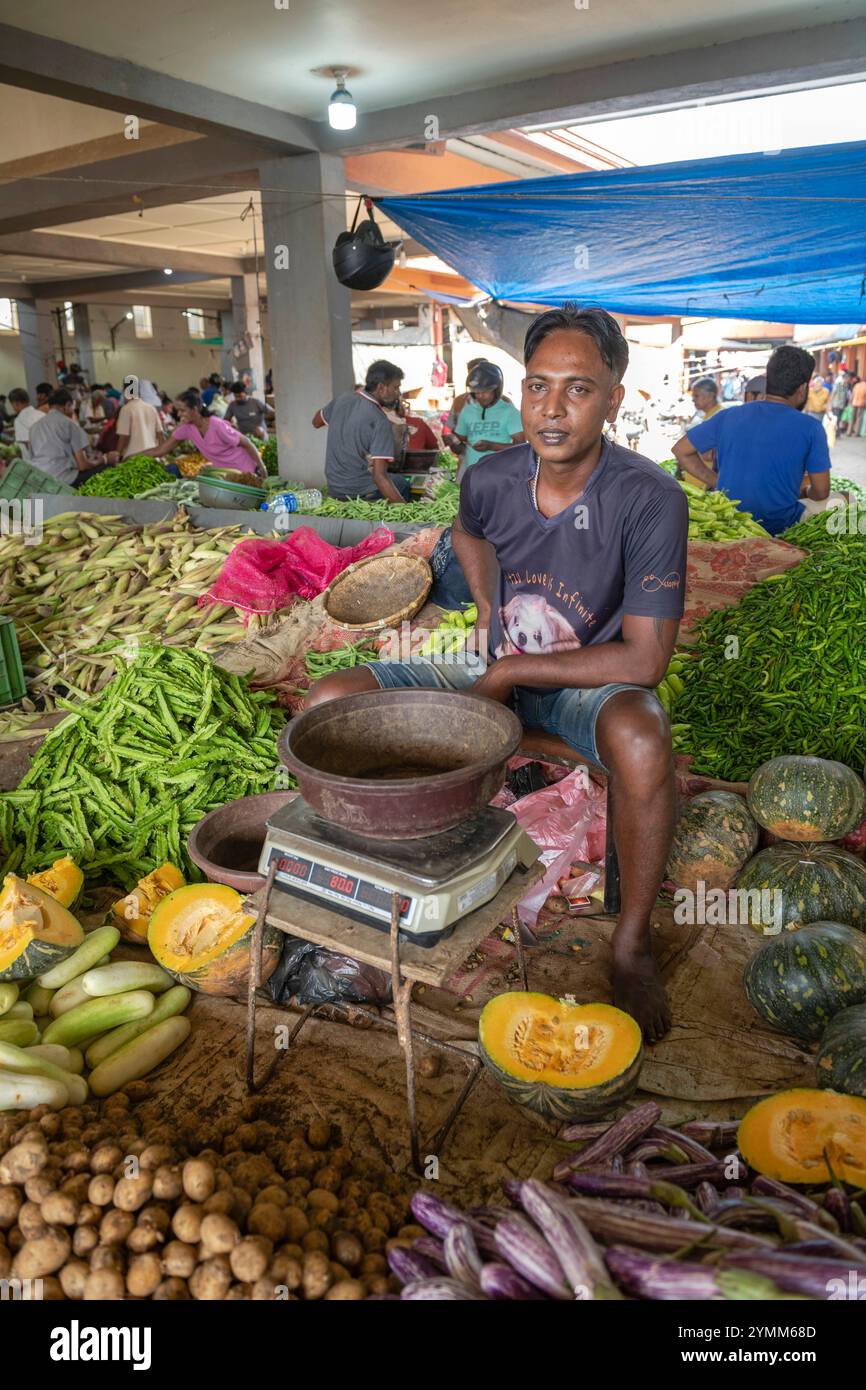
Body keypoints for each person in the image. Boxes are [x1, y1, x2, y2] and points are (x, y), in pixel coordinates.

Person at [304, 306, 689, 1041]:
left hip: (587, 686)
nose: (552, 407)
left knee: (643, 737)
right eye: (538, 385)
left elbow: (645, 657)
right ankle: (373, 897)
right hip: (491, 668)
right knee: (333, 700)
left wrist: (512, 668)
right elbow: (466, 532)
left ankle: (632, 939)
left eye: (579, 388)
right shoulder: (490, 476)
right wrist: (485, 603)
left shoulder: (649, 498)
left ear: (615, 396)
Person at [672, 345, 832, 535]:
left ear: (768, 382)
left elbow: (681, 450)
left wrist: (717, 481)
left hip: (732, 519)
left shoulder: (729, 415)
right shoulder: (811, 427)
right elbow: (821, 492)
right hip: (782, 524)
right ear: (803, 388)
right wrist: (805, 493)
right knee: (847, 498)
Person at [312, 361, 410, 503]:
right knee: (402, 484)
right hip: (357, 490)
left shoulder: (343, 399)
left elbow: (316, 422)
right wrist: (406, 511)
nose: (398, 394)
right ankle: (397, 524)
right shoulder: (380, 420)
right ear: (381, 388)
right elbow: (379, 477)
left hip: (334, 486)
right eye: (396, 388)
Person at [144, 390, 265, 477]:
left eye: (182, 410)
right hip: (226, 476)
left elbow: (247, 443)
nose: (179, 414)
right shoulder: (187, 428)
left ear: (195, 409)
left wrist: (261, 467)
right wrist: (132, 456)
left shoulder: (216, 425)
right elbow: (160, 450)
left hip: (246, 472)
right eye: (177, 411)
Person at [451, 361, 525, 473]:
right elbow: (460, 440)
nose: (480, 396)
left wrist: (491, 446)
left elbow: (521, 447)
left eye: (485, 392)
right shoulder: (467, 410)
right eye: (476, 392)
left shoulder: (509, 412)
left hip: (500, 475)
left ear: (497, 390)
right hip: (473, 474)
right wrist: (453, 441)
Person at [28, 389, 102, 486]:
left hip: (40, 479)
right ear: (67, 406)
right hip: (64, 479)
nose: (72, 411)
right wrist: (103, 460)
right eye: (72, 407)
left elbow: (32, 457)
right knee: (105, 468)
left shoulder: (33, 427)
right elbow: (83, 466)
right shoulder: (69, 424)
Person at [115, 390, 164, 460]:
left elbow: (123, 437)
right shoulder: (152, 408)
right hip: (152, 455)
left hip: (132, 457)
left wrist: (117, 454)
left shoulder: (126, 409)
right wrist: (162, 455)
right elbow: (160, 434)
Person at [7, 388, 45, 460]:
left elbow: (28, 445)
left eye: (12, 405)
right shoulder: (41, 414)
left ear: (16, 404)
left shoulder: (19, 420)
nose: (13, 408)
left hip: (36, 463)